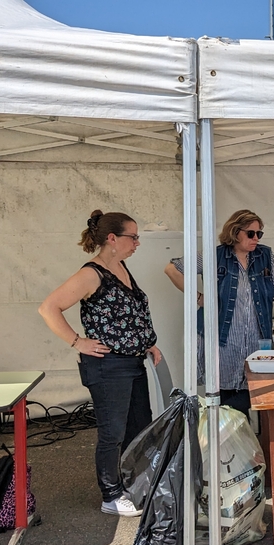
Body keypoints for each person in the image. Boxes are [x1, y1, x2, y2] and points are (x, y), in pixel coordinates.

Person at [38, 210, 162, 517]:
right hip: (108, 366)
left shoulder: (120, 267)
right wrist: (77, 341)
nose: (137, 243)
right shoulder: (92, 274)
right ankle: (111, 495)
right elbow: (48, 308)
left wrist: (147, 341)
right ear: (112, 239)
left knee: (138, 426)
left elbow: (129, 315)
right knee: (112, 432)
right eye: (133, 237)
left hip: (132, 362)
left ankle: (134, 483)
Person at [163, 209, 274, 416]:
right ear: (235, 232)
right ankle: (228, 431)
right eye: (251, 233)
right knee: (224, 390)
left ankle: (231, 428)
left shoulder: (265, 255)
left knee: (257, 389)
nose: (256, 238)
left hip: (256, 338)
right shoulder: (214, 255)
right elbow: (172, 269)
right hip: (223, 339)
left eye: (259, 233)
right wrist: (198, 297)